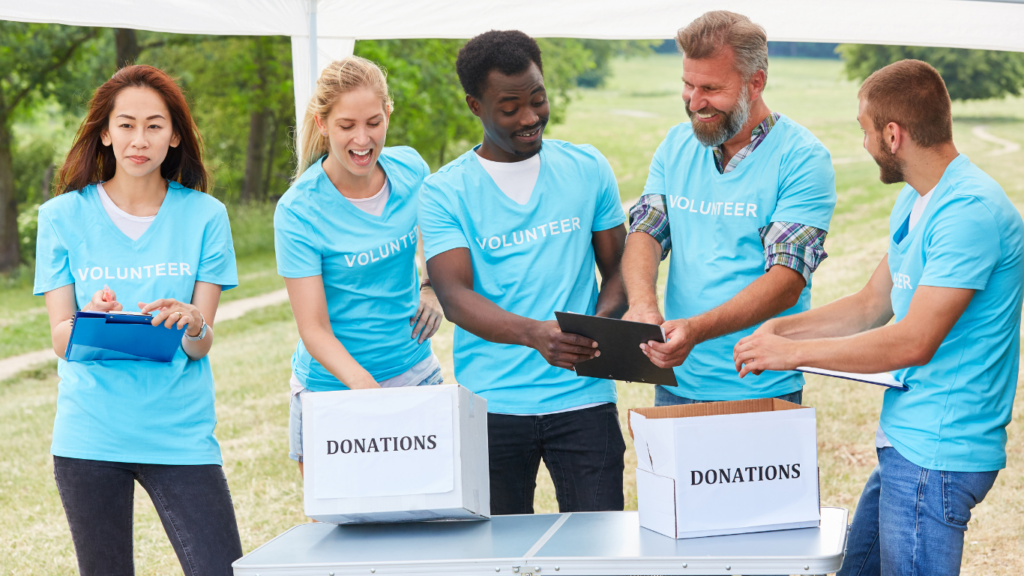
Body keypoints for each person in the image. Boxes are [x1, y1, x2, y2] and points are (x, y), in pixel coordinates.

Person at [734, 59, 1023, 576]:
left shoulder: (969, 213)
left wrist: (792, 353)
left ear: (893, 135)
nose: (863, 144)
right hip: (908, 441)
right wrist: (781, 328)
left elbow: (913, 341)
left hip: (939, 452)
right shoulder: (916, 199)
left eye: (865, 131)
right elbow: (872, 303)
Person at [34, 65, 242, 576]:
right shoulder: (60, 217)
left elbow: (200, 344)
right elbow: (62, 338)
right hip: (90, 435)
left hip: (181, 432)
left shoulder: (206, 217)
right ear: (105, 132)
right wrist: (90, 321)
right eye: (126, 124)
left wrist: (193, 321)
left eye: (154, 125)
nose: (139, 139)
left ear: (174, 135)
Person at [419, 30, 628, 515]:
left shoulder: (588, 167)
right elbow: (453, 295)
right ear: (475, 105)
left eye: (538, 99)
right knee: (500, 558)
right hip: (492, 408)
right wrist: (536, 335)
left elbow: (620, 270)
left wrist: (592, 330)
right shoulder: (444, 191)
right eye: (510, 108)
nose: (530, 117)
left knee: (600, 555)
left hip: (585, 402)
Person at [622, 10, 837, 408]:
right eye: (688, 85)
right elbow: (647, 231)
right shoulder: (675, 144)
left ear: (755, 83)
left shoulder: (803, 159)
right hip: (676, 385)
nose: (695, 102)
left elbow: (787, 281)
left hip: (761, 385)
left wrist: (697, 330)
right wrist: (642, 304)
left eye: (711, 88)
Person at [276, 56, 445, 474]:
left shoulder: (411, 168)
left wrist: (432, 286)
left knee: (432, 525)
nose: (362, 139)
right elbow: (313, 329)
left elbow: (435, 235)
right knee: (341, 535)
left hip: (415, 374)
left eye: (373, 122)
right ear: (322, 124)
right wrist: (367, 393)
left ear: (388, 114)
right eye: (346, 125)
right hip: (333, 391)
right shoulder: (298, 211)